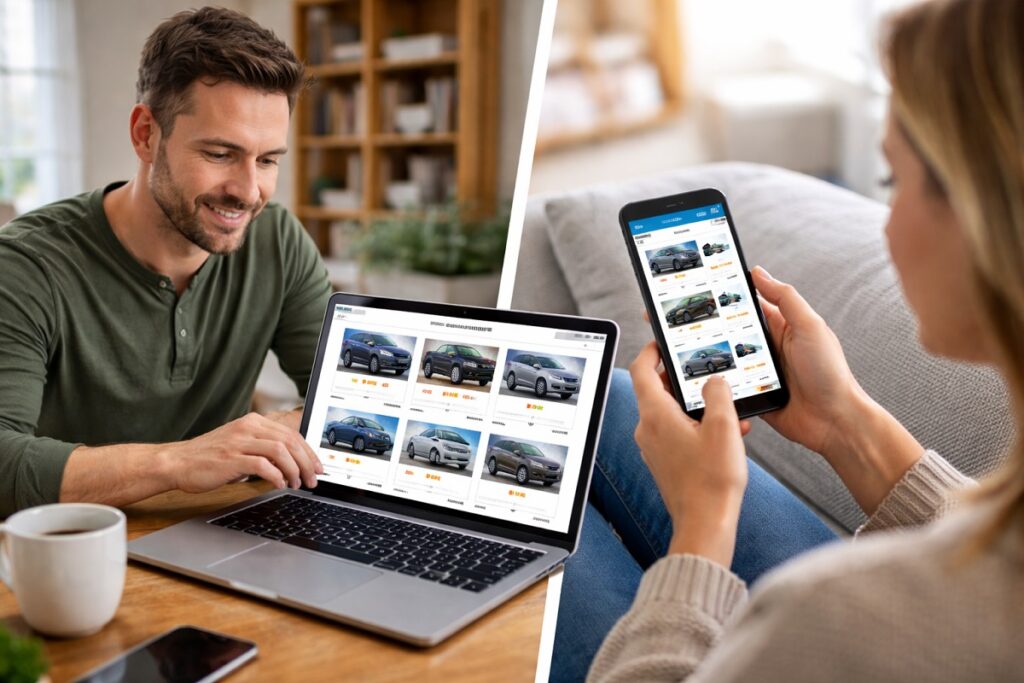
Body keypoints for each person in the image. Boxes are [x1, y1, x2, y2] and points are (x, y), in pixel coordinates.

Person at [553, 0, 1024, 680]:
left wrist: (703, 522)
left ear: (985, 212)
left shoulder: (824, 619)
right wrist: (845, 423)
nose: (884, 225)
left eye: (894, 180)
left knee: (520, 522)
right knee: (608, 396)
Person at [0, 7, 330, 518]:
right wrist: (177, 462)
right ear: (146, 135)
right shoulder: (25, 265)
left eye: (267, 161)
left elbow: (349, 405)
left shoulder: (278, 240)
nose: (248, 191)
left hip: (214, 538)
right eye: (220, 154)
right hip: (65, 560)